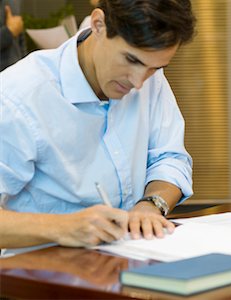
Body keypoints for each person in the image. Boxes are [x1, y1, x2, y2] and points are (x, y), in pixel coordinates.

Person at [0, 0, 195, 249]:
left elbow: (169, 158)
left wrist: (151, 204)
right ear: (98, 24)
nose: (138, 83)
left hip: (126, 263)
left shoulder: (149, 78)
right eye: (131, 60)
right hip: (40, 276)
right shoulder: (18, 96)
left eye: (154, 68)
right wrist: (64, 227)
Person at [0, 0, 26, 71]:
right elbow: (13, 29)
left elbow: (20, 40)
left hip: (16, 73)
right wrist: (9, 32)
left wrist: (25, 66)